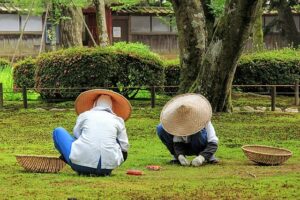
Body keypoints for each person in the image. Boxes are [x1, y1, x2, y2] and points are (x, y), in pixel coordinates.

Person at [52, 89, 132, 176]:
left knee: (58, 131)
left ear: (94, 104)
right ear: (111, 107)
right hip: (107, 168)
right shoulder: (118, 120)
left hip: (81, 164)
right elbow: (125, 146)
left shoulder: (85, 115)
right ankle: (103, 168)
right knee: (116, 140)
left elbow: (77, 135)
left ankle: (76, 162)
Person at [156, 93, 219, 166]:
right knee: (161, 128)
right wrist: (180, 156)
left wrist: (202, 157)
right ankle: (176, 157)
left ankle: (208, 156)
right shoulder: (177, 121)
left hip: (200, 145)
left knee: (198, 132)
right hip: (184, 146)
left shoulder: (204, 120)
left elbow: (213, 142)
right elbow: (177, 142)